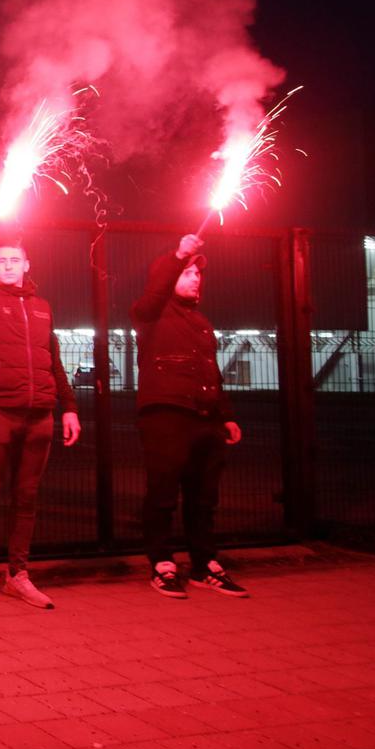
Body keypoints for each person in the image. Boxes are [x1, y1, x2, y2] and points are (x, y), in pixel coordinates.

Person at [0, 235, 80, 610]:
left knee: (26, 497)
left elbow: (52, 359)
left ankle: (18, 576)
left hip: (39, 414)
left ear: (27, 265)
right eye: (2, 261)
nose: (9, 265)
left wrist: (69, 406)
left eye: (16, 260)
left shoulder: (42, 307)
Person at [133, 233, 246, 598]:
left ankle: (203, 564)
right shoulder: (150, 314)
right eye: (186, 273)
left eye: (198, 275)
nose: (195, 278)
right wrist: (178, 255)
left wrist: (225, 415)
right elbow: (154, 293)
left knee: (203, 497)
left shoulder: (201, 323)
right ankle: (162, 563)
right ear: (167, 279)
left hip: (205, 419)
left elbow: (211, 372)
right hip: (166, 416)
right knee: (164, 494)